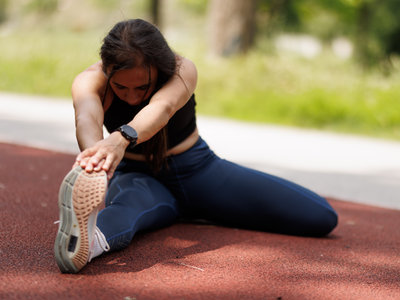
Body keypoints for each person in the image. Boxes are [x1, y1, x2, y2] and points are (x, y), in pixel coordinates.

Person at [54, 19, 338, 274]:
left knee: (321, 216)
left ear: (160, 68)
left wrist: (120, 138)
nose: (130, 98)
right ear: (106, 69)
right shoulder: (90, 80)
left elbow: (162, 108)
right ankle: (87, 245)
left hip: (198, 172)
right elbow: (87, 117)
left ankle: (193, 207)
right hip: (137, 176)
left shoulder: (181, 70)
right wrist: (96, 160)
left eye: (141, 88)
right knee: (130, 207)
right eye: (120, 88)